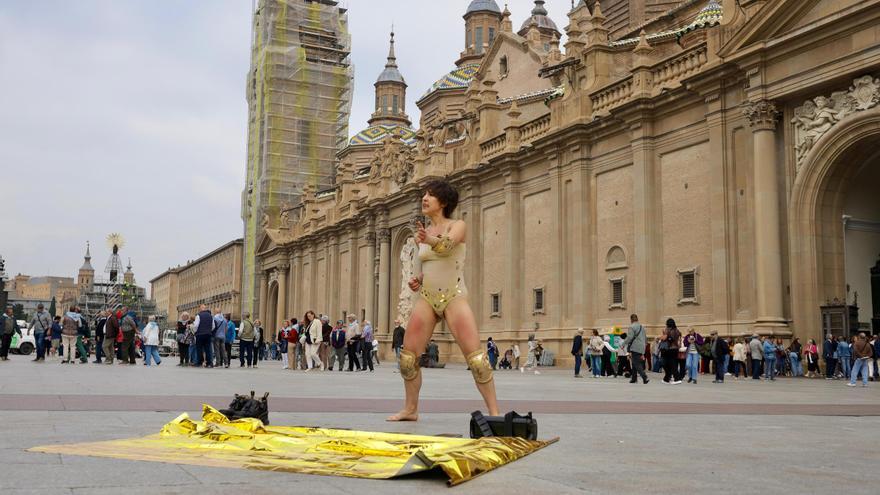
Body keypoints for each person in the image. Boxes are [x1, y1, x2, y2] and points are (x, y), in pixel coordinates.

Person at [388, 180, 500, 422]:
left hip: (453, 295)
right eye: (424, 194)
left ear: (444, 202)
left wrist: (428, 240)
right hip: (427, 297)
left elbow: (447, 247)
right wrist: (417, 279)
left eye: (431, 195)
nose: (424, 198)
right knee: (408, 359)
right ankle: (410, 409)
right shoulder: (424, 233)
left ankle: (494, 412)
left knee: (477, 360)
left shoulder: (457, 225)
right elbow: (427, 264)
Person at [624, 315, 649, 384]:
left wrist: (623, 343)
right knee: (634, 362)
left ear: (631, 319)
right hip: (642, 346)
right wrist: (644, 345)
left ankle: (644, 377)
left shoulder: (631, 327)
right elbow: (645, 338)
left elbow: (629, 337)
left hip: (635, 347)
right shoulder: (642, 327)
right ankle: (634, 378)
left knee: (636, 363)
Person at [661, 320, 682, 384]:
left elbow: (663, 338)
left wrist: (662, 335)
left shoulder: (668, 330)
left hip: (669, 349)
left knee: (666, 364)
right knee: (672, 364)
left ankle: (677, 379)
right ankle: (666, 379)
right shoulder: (677, 330)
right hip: (675, 349)